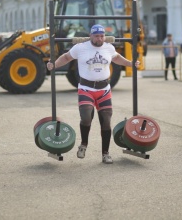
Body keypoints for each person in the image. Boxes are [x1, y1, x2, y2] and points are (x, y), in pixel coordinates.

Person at [47, 24, 140, 164]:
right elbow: (66, 58)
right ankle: (83, 145)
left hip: (104, 89)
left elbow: (116, 58)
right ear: (91, 35)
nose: (99, 38)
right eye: (96, 36)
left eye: (102, 36)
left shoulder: (109, 47)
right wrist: (53, 65)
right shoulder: (81, 47)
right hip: (86, 88)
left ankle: (105, 153)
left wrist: (130, 63)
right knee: (86, 118)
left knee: (106, 122)